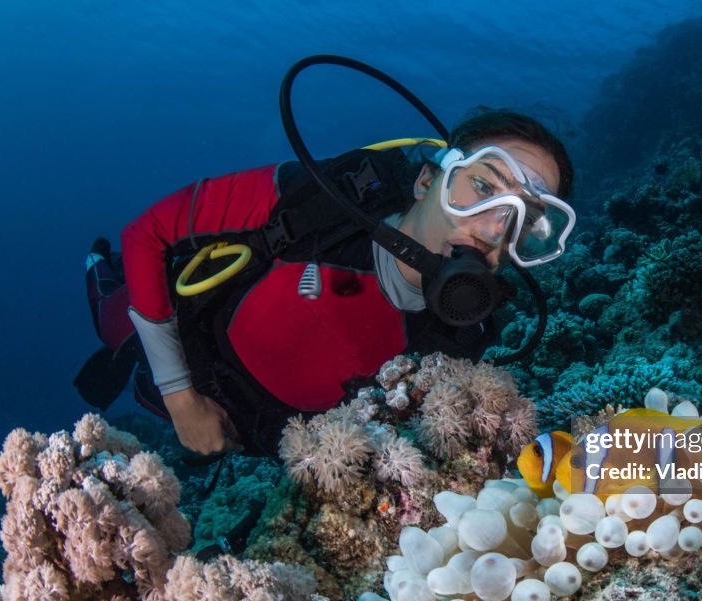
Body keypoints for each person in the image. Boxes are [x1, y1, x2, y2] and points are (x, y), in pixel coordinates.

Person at [76, 110, 575, 457]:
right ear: (427, 182)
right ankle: (97, 264)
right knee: (111, 320)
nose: (491, 228)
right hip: (177, 347)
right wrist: (180, 398)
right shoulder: (315, 201)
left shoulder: (464, 342)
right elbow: (149, 232)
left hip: (247, 437)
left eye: (523, 220)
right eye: (483, 187)